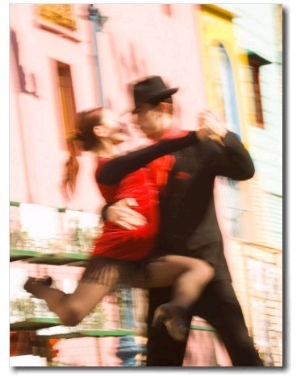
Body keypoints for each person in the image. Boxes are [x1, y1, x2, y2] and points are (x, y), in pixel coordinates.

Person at [103, 75, 264, 366]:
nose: (135, 120)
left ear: (162, 108)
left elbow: (245, 170)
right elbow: (114, 193)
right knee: (161, 364)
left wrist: (225, 135)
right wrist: (109, 210)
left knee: (244, 355)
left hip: (210, 271)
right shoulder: (142, 157)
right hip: (166, 276)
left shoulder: (202, 147)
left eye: (139, 112)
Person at [24, 106, 215, 342]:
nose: (122, 123)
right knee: (71, 315)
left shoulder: (125, 161)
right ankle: (37, 287)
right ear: (100, 130)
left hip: (144, 258)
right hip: (114, 258)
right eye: (115, 120)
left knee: (200, 269)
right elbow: (158, 149)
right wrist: (197, 135)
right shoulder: (108, 168)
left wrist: (106, 210)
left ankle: (174, 310)